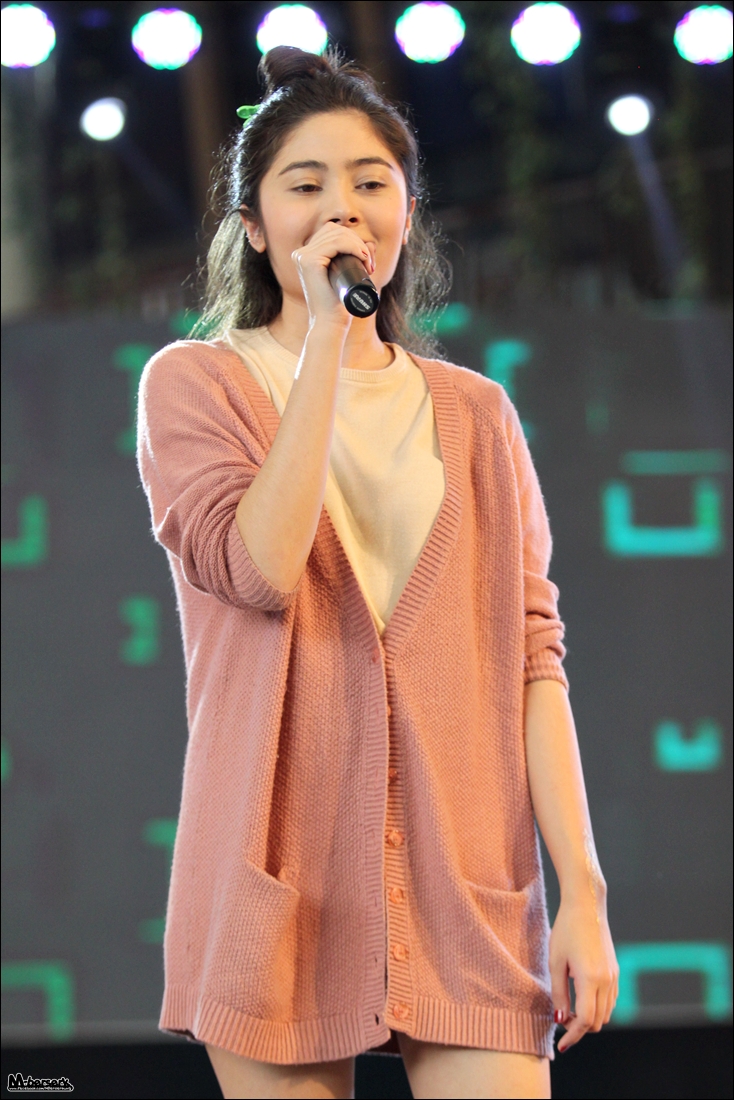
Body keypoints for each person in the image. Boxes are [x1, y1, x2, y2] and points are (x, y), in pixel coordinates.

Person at [136, 44, 618, 1100]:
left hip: (467, 884)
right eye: (305, 186)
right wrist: (322, 342)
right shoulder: (196, 385)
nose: (341, 210)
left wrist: (581, 893)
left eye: (369, 183)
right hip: (277, 878)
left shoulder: (477, 414)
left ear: (406, 211)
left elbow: (533, 661)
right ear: (254, 226)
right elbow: (260, 567)